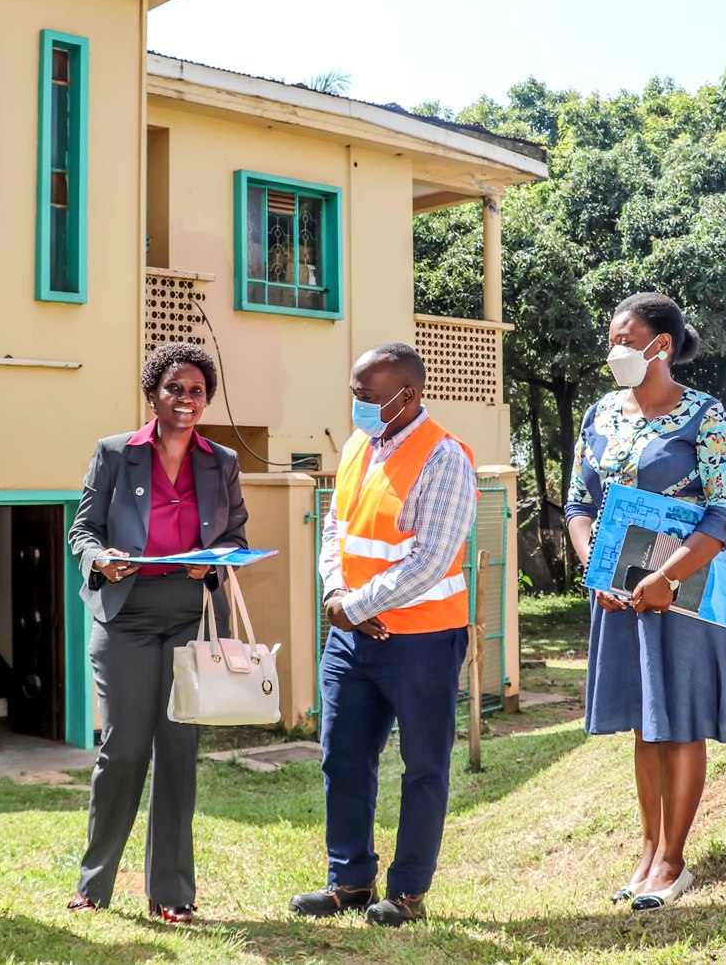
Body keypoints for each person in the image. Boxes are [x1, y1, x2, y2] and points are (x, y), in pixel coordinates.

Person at [567, 293, 726, 911]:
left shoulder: (704, 415)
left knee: (679, 718)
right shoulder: (600, 415)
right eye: (611, 338)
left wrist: (668, 576)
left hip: (687, 577)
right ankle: (647, 851)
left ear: (660, 345)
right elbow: (581, 504)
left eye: (626, 338)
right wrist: (595, 568)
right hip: (618, 584)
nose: (615, 350)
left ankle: (673, 860)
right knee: (646, 718)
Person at [290, 343, 478, 928]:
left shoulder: (445, 458)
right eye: (354, 395)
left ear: (408, 394)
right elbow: (335, 528)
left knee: (423, 767)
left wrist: (354, 605)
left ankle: (407, 893)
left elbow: (430, 559)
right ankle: (348, 880)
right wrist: (333, 596)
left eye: (368, 397)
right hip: (351, 638)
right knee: (342, 759)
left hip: (422, 640)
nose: (358, 407)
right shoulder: (355, 447)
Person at [65, 342, 248, 923]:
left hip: (188, 617)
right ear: (153, 394)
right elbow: (83, 530)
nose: (185, 400)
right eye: (174, 388)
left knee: (178, 753)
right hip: (126, 616)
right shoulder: (116, 453)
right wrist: (101, 559)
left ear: (206, 399)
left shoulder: (221, 462)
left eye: (196, 391)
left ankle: (170, 891)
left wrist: (215, 562)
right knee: (122, 751)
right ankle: (95, 885)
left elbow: (237, 539)